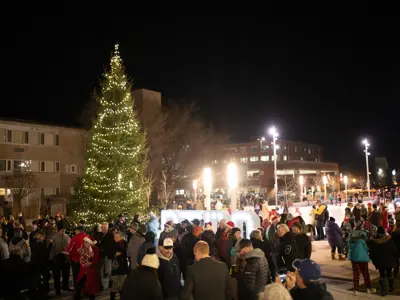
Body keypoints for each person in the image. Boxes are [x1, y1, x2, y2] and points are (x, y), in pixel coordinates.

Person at [367, 226, 399, 296]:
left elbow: (371, 251)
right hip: (389, 261)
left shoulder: (374, 241)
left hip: (380, 262)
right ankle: (391, 286)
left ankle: (384, 290)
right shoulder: (389, 240)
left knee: (382, 275)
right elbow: (394, 250)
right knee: (389, 273)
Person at [348, 225, 376, 295]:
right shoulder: (362, 240)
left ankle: (356, 290)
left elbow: (349, 247)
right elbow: (367, 248)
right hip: (362, 258)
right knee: (365, 273)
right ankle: (368, 289)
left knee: (356, 274)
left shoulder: (351, 239)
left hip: (354, 258)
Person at [51, 223, 72, 296]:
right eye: (62, 230)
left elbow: (70, 245)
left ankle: (65, 286)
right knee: (57, 275)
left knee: (66, 273)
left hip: (65, 257)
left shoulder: (66, 236)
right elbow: (51, 247)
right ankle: (58, 290)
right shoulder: (54, 237)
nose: (63, 232)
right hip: (57, 258)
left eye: (64, 230)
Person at [110, 231, 129, 300]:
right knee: (115, 283)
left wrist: (119, 253)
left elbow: (126, 253)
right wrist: (115, 254)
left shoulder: (124, 243)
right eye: (114, 237)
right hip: (115, 267)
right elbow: (111, 253)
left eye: (116, 237)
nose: (115, 238)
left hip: (122, 267)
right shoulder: (113, 243)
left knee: (122, 284)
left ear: (121, 237)